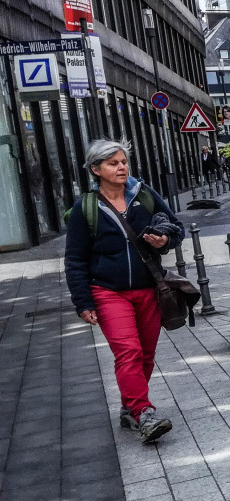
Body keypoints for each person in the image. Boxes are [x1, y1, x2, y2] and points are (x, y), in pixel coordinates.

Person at [64, 140, 184, 443]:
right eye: (113, 163)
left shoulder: (143, 195)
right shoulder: (86, 208)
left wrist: (164, 241)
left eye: (123, 162)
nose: (121, 167)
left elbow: (176, 227)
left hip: (149, 288)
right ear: (96, 170)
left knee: (145, 354)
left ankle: (130, 408)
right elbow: (75, 259)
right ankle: (144, 413)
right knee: (128, 352)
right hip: (107, 291)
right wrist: (83, 301)